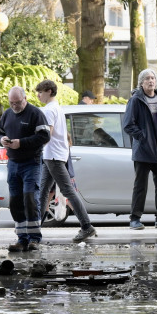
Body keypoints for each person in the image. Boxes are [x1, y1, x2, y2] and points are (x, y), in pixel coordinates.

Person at [35, 80, 97, 242]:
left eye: (40, 92)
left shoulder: (49, 110)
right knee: (43, 191)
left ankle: (86, 226)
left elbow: (46, 135)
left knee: (68, 191)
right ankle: (34, 229)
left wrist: (33, 147)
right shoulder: (57, 108)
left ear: (48, 91)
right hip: (53, 155)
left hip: (53, 156)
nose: (38, 95)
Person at [0, 86, 50, 252]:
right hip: (13, 163)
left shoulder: (35, 113)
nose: (15, 106)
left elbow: (45, 136)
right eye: (12, 103)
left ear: (25, 99)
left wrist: (22, 143)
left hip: (31, 162)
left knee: (30, 199)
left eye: (18, 102)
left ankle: (34, 238)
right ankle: (21, 238)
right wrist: (2, 139)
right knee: (16, 201)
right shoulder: (7, 114)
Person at [122, 68, 157, 229]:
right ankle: (135, 219)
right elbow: (128, 125)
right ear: (141, 83)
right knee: (140, 187)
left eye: (153, 78)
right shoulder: (136, 100)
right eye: (147, 79)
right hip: (143, 151)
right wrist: (143, 138)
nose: (151, 81)